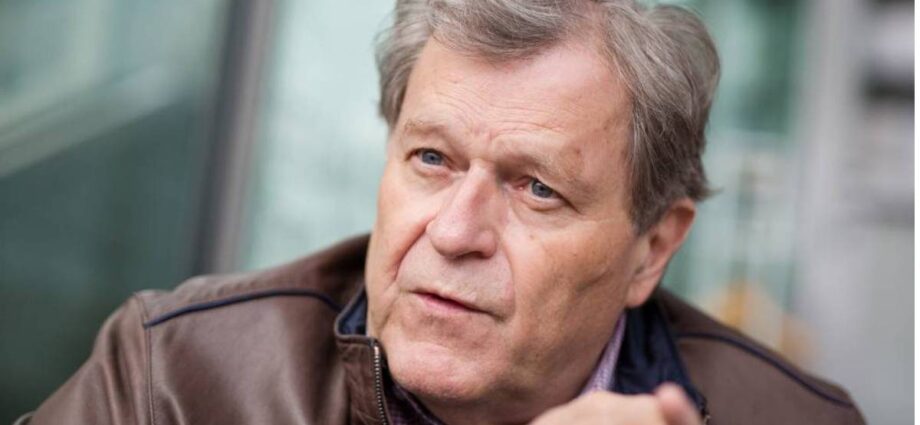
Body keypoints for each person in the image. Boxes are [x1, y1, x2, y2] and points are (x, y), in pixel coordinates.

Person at [18, 1, 865, 424]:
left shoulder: (796, 420)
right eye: (432, 159)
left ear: (651, 248)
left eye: (537, 188)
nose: (455, 233)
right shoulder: (173, 378)